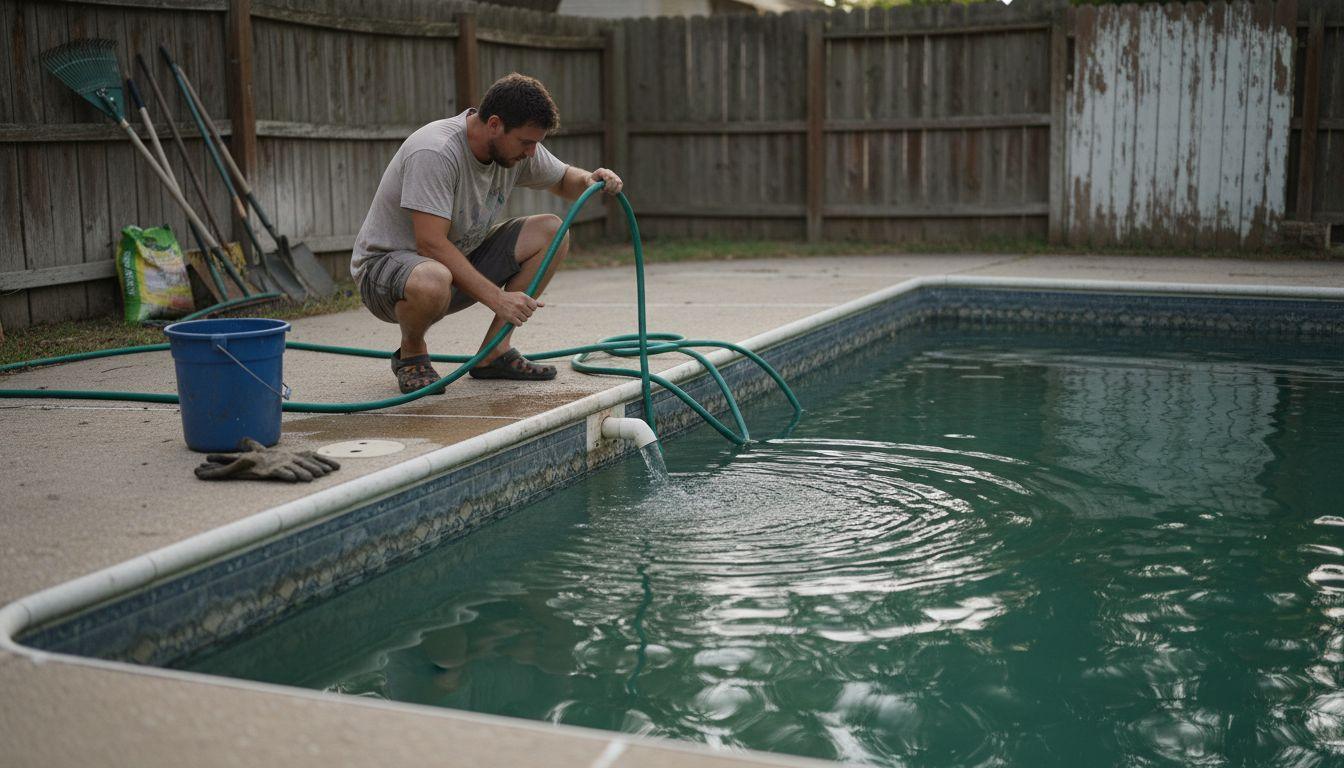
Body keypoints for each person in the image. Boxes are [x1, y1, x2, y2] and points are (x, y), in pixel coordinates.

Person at [351, 73, 623, 394]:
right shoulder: (436, 151)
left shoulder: (514, 149)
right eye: (526, 142)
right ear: (494, 124)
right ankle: (411, 353)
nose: (532, 153)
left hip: (450, 265)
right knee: (432, 278)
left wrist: (591, 180)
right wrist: (498, 299)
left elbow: (564, 179)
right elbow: (430, 244)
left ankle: (494, 351)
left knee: (551, 231)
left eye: (537, 143)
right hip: (385, 274)